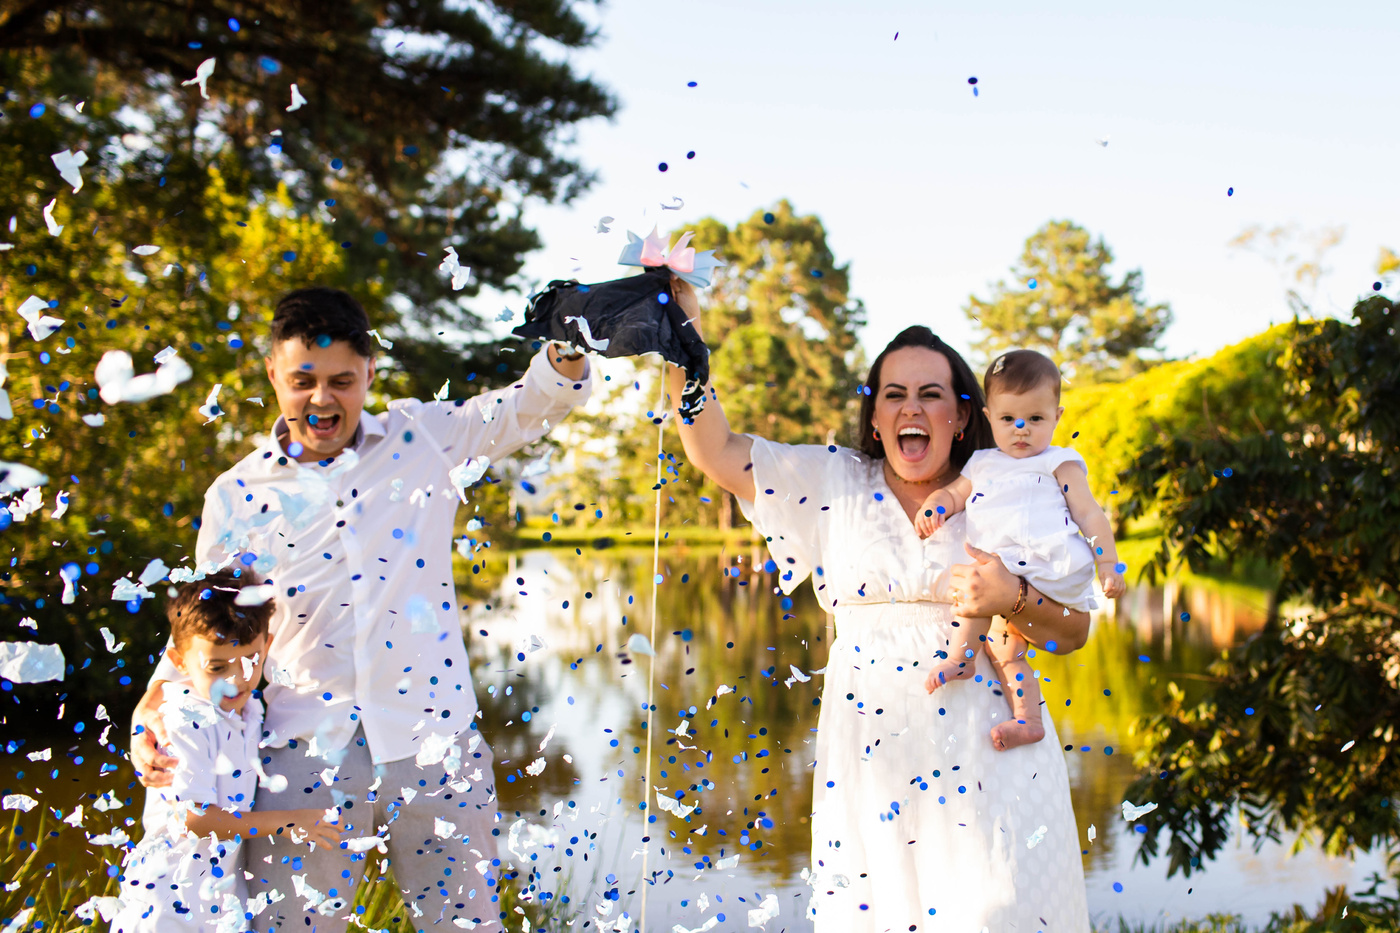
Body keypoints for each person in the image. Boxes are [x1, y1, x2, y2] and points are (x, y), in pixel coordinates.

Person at [128, 287, 592, 932]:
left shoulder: (424, 438)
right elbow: (209, 626)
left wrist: (569, 342)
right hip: (299, 751)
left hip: (435, 742)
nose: (322, 399)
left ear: (370, 372)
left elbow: (529, 406)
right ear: (273, 374)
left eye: (342, 381)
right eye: (303, 381)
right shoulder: (235, 495)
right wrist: (148, 708)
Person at [664, 278, 1091, 931]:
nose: (910, 407)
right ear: (874, 417)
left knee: (997, 914)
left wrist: (1014, 596)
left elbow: (1074, 631)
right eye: (894, 394)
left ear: (962, 415)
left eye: (931, 394)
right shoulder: (832, 481)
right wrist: (681, 335)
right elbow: (714, 449)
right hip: (870, 763)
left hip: (991, 762)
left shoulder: (1011, 485)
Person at [913, 348, 1126, 751]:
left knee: (978, 593)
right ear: (989, 417)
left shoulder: (1059, 462)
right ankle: (1028, 719)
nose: (1021, 429)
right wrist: (935, 507)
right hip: (1004, 568)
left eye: (1036, 419)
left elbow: (1089, 514)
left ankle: (960, 658)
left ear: (1057, 417)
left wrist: (1109, 563)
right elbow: (954, 494)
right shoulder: (982, 463)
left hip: (1047, 567)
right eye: (1009, 419)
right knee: (1006, 649)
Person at [112, 570, 340, 933]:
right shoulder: (184, 720)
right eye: (217, 667)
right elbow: (192, 819)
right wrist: (286, 822)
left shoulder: (250, 709)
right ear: (180, 662)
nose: (235, 680)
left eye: (250, 661)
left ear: (266, 646)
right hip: (164, 905)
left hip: (216, 903)